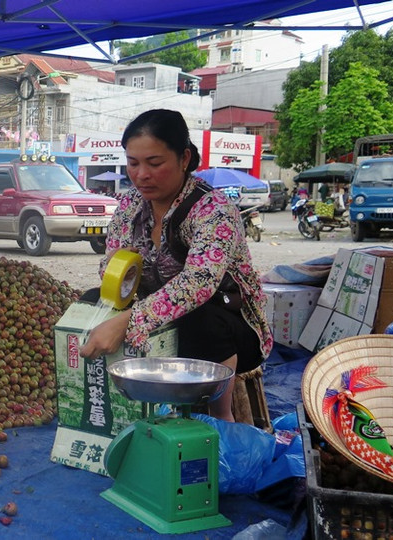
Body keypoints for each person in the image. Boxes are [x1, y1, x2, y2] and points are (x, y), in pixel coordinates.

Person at [78, 109, 272, 422]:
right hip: (157, 318)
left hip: (228, 327)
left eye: (154, 163)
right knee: (90, 301)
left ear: (184, 158)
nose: (141, 174)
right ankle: (116, 407)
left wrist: (129, 320)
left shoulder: (213, 209)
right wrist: (116, 273)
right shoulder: (130, 205)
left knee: (201, 318)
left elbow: (198, 283)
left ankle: (219, 417)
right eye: (133, 163)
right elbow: (112, 270)